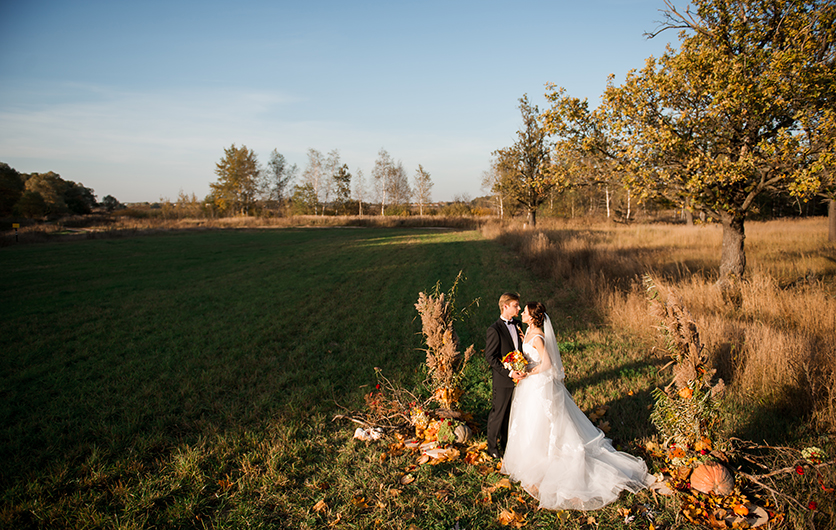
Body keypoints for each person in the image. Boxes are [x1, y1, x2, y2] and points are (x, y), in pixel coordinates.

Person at [501, 301, 653, 510]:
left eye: (525, 312)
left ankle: (548, 460)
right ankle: (531, 458)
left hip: (538, 385)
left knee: (543, 421)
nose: (522, 314)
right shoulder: (527, 331)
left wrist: (529, 372)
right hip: (529, 385)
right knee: (528, 422)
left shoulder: (537, 337)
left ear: (532, 317)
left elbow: (547, 364)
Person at [484, 292, 527, 459]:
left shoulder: (517, 324)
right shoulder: (494, 329)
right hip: (503, 379)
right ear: (505, 307)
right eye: (516, 305)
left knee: (511, 413)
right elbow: (490, 357)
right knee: (499, 413)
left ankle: (506, 443)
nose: (519, 308)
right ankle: (492, 447)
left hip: (521, 377)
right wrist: (509, 372)